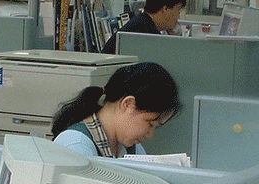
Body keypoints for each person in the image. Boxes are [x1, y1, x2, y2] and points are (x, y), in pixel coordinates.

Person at [51, 61, 181, 159]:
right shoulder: (76, 144)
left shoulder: (132, 148)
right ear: (128, 104)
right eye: (150, 124)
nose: (150, 135)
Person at [102, 0, 186, 54]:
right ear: (166, 9)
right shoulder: (146, 33)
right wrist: (175, 41)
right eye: (178, 10)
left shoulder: (143, 22)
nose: (178, 16)